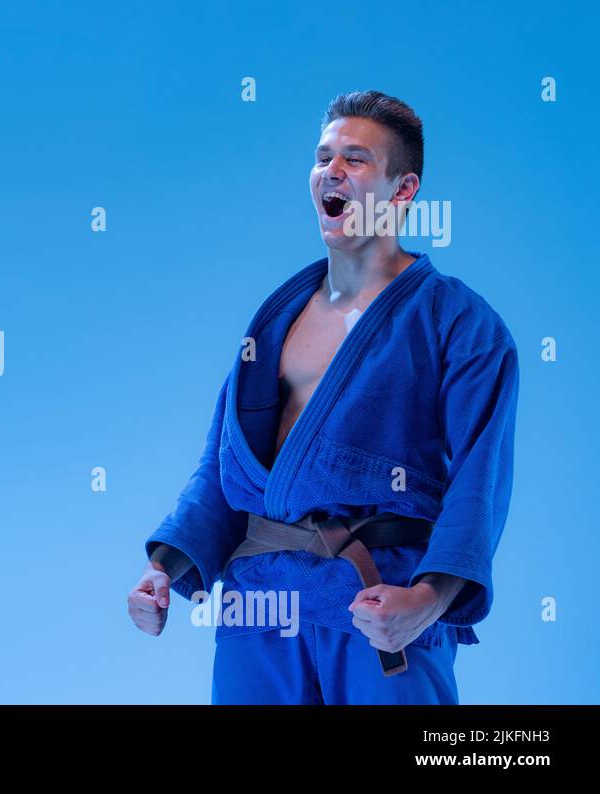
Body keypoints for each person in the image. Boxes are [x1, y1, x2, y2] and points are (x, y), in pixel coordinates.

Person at [126, 91, 519, 704]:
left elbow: (480, 480)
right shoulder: (275, 323)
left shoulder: (459, 324)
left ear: (403, 189)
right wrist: (163, 569)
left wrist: (428, 599)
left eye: (356, 159)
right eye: (323, 156)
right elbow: (225, 470)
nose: (331, 171)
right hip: (259, 607)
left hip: (377, 603)